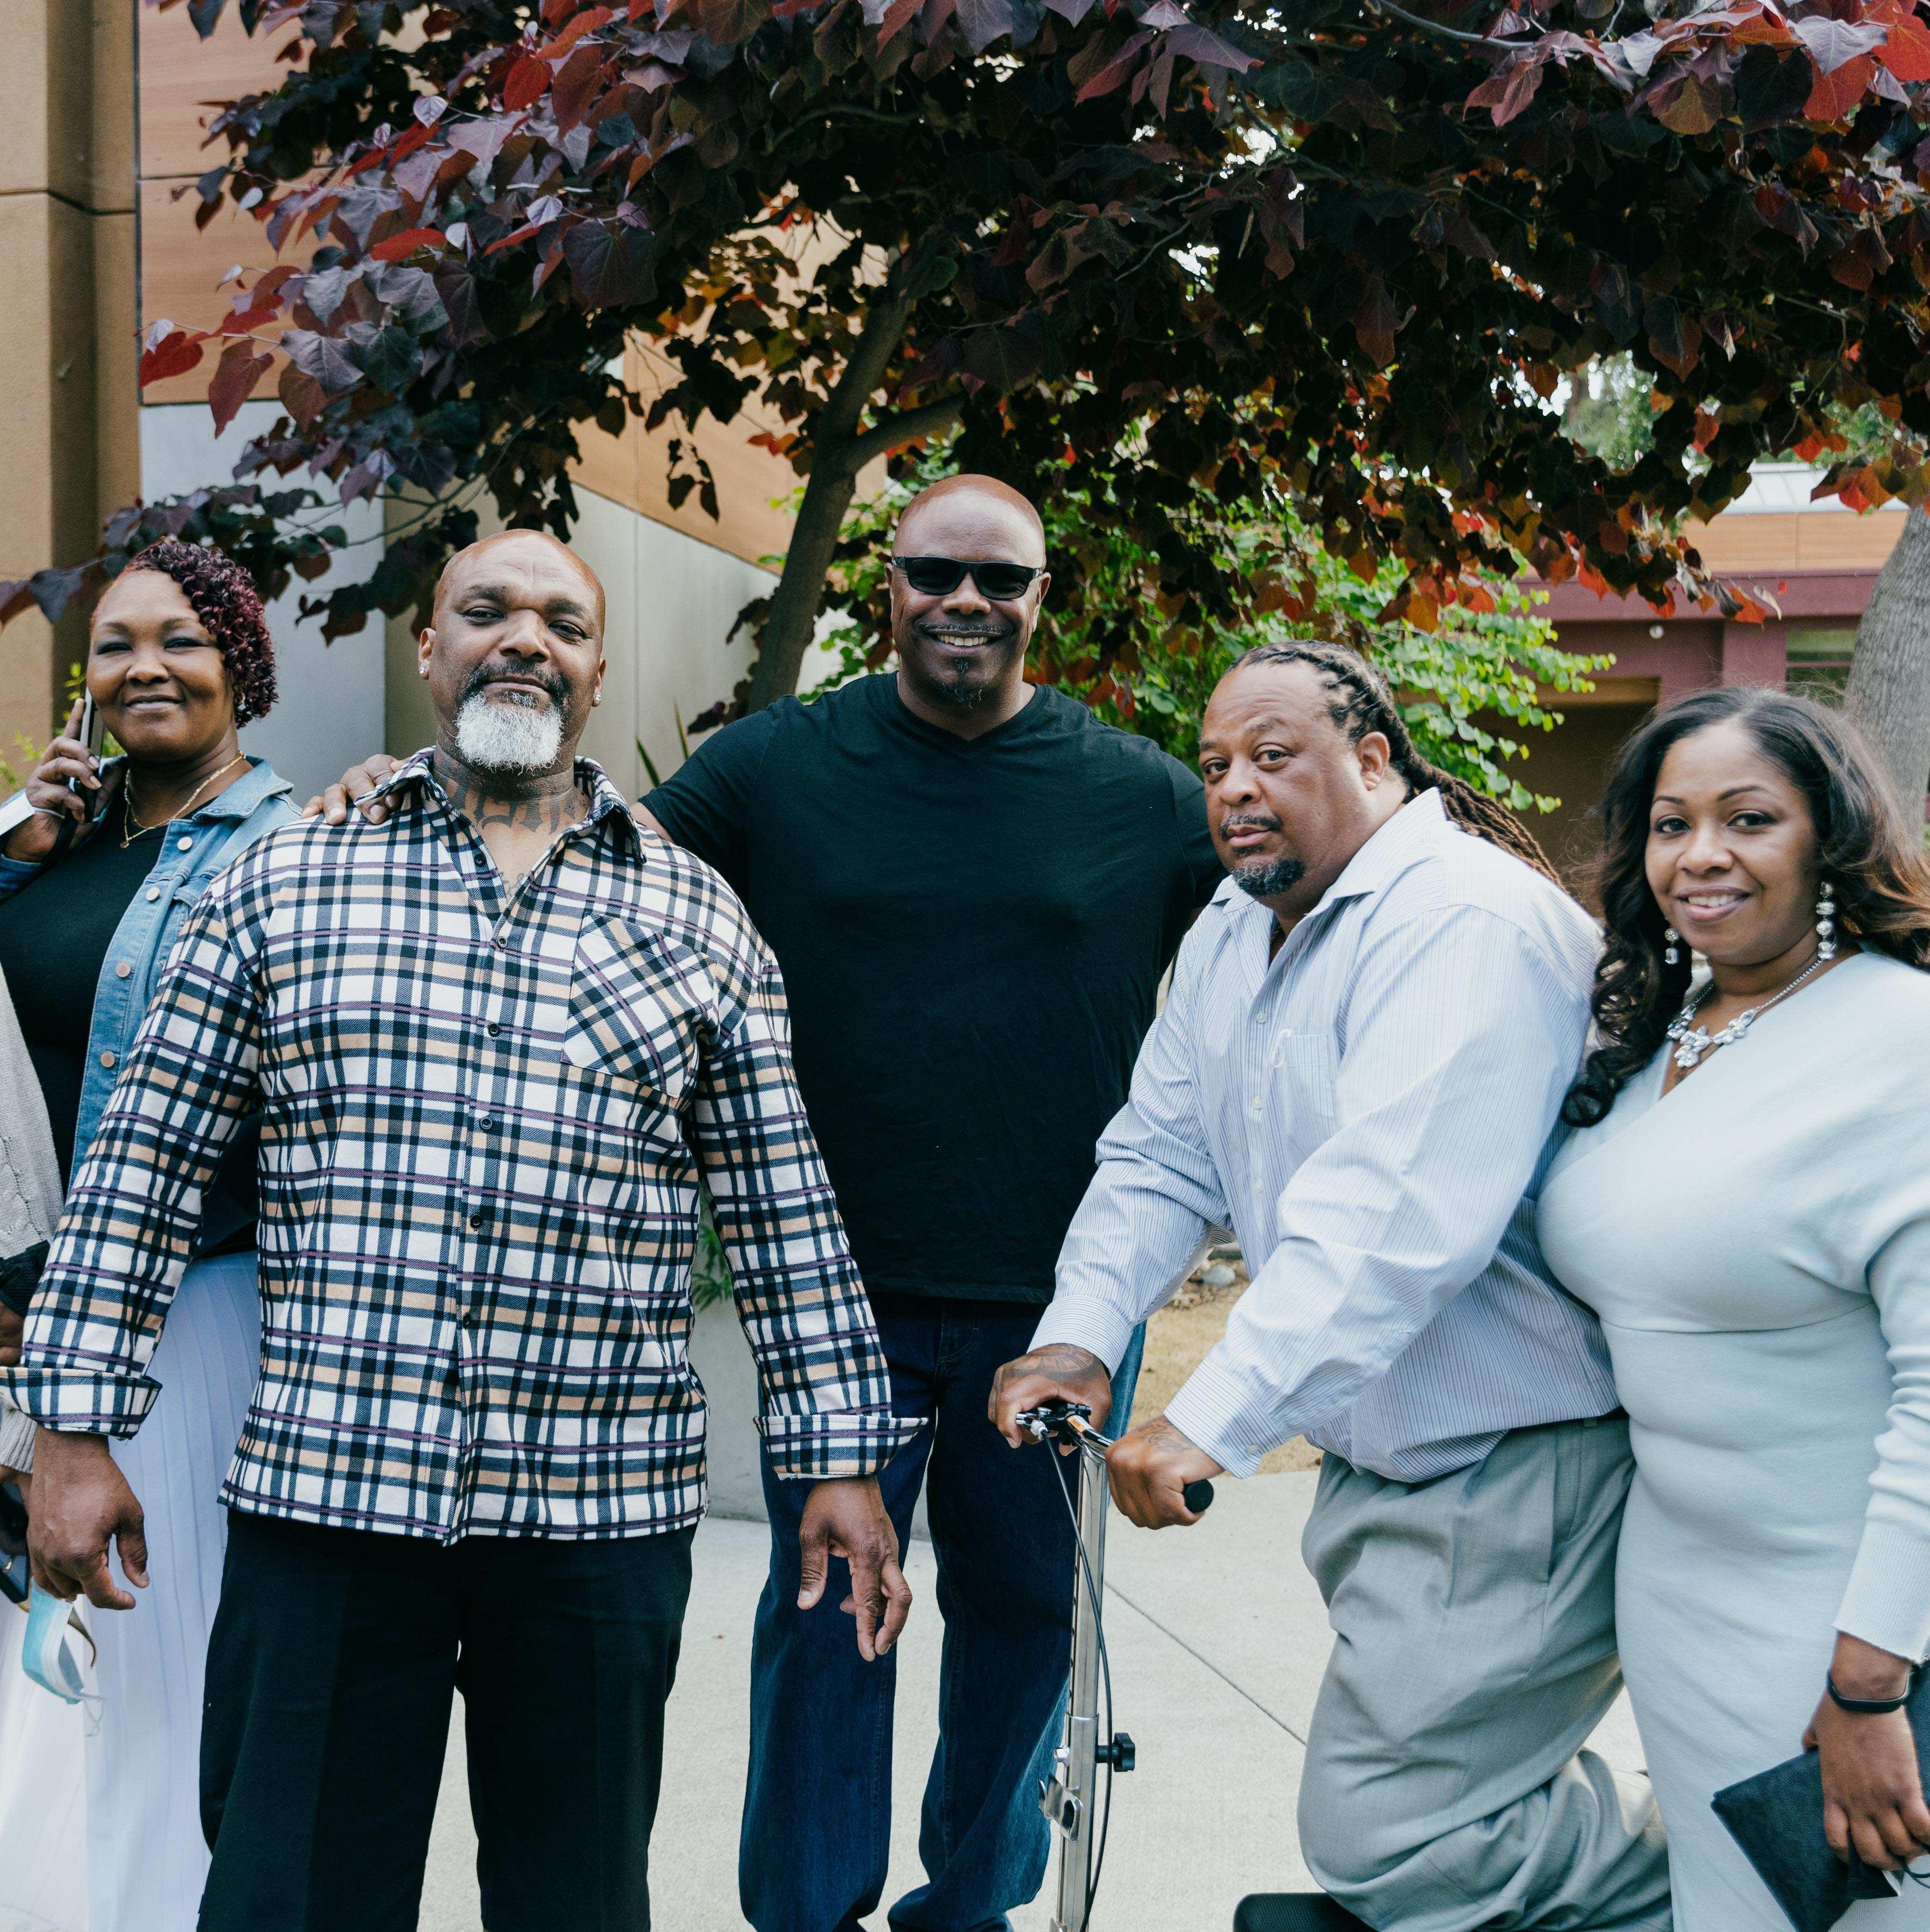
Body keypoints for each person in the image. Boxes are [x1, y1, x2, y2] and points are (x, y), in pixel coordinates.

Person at [313, 474, 1221, 1932]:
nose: (965, 603)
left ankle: (966, 1907)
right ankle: (805, 1919)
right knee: (825, 1629)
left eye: (1000, 580)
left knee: (1020, 1635)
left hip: (1052, 1312)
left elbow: (1290, 915)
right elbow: (574, 855)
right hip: (828, 1305)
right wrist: (387, 788)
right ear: (891, 585)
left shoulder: (1138, 793)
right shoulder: (775, 767)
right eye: (934, 574)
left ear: (1042, 597)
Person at [5, 529, 915, 1932]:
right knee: (287, 1898)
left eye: (560, 619)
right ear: (428, 651)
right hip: (328, 1500)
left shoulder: (695, 921)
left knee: (572, 1902)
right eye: (485, 610)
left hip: (596, 1516)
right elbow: (142, 1168)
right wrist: (71, 1430)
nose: (522, 638)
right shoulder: (286, 884)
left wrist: (837, 1456)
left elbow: (782, 1206)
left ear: (595, 670)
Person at [994, 640, 1673, 1931]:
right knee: (1435, 1822)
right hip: (1395, 1469)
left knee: (1398, 1842)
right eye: (1213, 766)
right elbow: (1158, 1154)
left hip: (1517, 1461)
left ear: (1372, 759)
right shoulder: (1232, 928)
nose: (1233, 788)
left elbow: (1389, 1212)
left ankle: (1752, 1859)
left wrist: (1211, 1418)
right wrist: (1081, 1333)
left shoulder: (1460, 921)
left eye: (1270, 755)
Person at [1538, 687, 1930, 1928]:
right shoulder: (1671, 1033)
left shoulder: (1901, 1038)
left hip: (1848, 1618)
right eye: (1669, 823)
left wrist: (1869, 1685)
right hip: (1678, 1595)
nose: (1699, 854)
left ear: (1830, 836)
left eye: (1747, 818)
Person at [0, 540, 294, 1932]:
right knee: (39, 1696)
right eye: (115, 645)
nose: (144, 668)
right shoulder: (60, 838)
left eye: (180, 638)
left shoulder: (291, 847)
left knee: (155, 1682)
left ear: (240, 659)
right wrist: (11, 847)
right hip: (21, 1316)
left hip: (179, 1318)